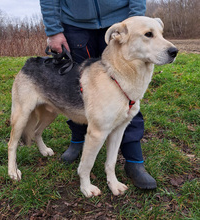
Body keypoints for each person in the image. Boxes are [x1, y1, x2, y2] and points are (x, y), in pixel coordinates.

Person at [40, 0, 157, 189]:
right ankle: (78, 139)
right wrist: (53, 30)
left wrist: (134, 22)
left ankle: (134, 158)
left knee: (127, 92)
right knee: (77, 92)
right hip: (75, 25)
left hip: (121, 22)